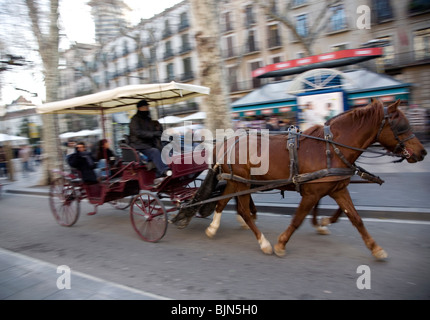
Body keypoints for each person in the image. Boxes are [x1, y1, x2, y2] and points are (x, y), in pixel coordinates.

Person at [129, 99, 172, 181]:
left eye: (147, 107)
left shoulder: (147, 119)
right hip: (139, 145)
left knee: (165, 147)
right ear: (140, 108)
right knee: (154, 151)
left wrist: (158, 130)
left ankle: (172, 167)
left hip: (148, 143)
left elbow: (152, 129)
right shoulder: (134, 120)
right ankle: (163, 170)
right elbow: (138, 132)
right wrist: (153, 134)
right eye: (145, 107)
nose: (147, 109)